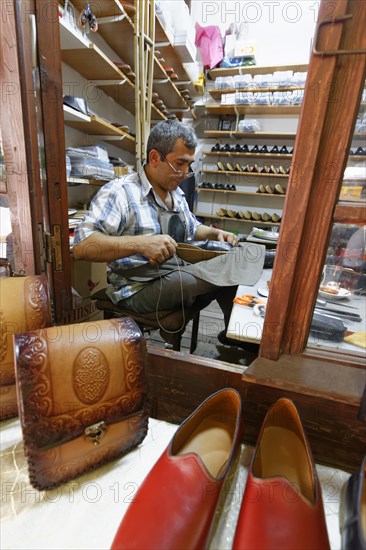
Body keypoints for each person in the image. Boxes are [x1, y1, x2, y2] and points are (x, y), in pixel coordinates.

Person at [73, 120, 262, 345]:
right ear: (155, 158)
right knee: (227, 270)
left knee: (232, 262)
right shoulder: (120, 192)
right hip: (136, 287)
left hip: (171, 271)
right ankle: (237, 334)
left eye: (188, 165)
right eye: (179, 163)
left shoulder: (175, 194)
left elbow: (193, 228)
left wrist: (214, 234)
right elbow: (82, 246)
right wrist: (140, 244)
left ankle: (237, 335)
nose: (184, 173)